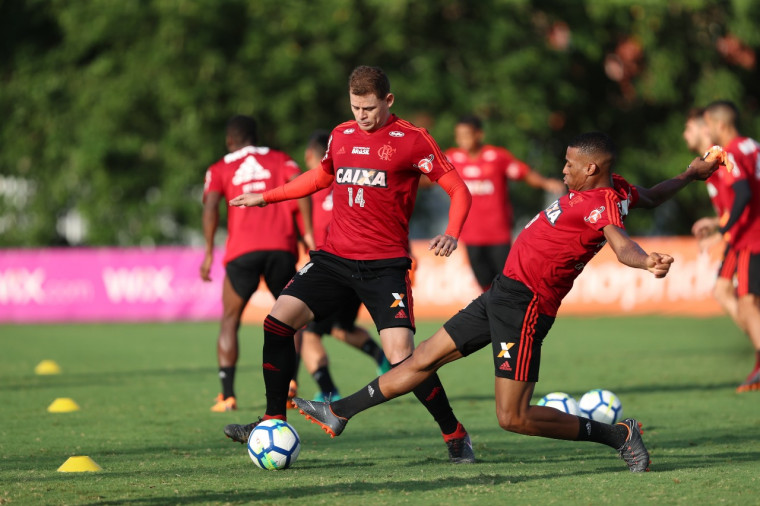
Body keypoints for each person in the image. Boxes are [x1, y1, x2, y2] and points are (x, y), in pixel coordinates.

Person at [293, 132, 723, 473]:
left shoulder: (603, 202)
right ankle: (339, 411)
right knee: (422, 357)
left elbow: (620, 244)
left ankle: (618, 436)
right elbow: (651, 195)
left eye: (570, 164)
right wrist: (690, 176)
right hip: (502, 292)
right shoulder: (618, 190)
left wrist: (646, 260)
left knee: (512, 418)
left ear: (591, 168)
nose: (563, 169)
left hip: (526, 306)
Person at [223, 66, 476, 463]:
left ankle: (455, 433)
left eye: (370, 108)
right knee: (277, 320)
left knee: (403, 361)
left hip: (385, 267)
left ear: (388, 101)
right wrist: (268, 197)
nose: (362, 115)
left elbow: (458, 189)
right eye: (356, 106)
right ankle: (271, 420)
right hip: (334, 259)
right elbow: (320, 178)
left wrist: (453, 231)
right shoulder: (340, 135)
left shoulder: (413, 140)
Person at [201, 115, 313, 412]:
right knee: (293, 319)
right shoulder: (280, 160)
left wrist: (209, 251)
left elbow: (211, 205)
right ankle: (290, 383)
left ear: (229, 141)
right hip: (281, 248)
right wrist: (308, 234)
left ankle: (227, 395)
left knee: (230, 320)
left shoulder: (220, 167)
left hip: (242, 252)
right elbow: (301, 188)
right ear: (256, 136)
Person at [300, 130, 391, 402]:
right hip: (361, 266)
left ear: (309, 156)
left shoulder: (310, 187)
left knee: (309, 334)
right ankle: (382, 358)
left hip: (332, 268)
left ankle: (328, 390)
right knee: (341, 328)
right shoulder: (351, 180)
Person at [445, 115, 566, 290]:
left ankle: (515, 314)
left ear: (479, 134)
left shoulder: (497, 157)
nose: (462, 140)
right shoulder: (452, 159)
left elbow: (523, 173)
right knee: (484, 284)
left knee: (506, 283)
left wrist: (545, 182)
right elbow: (430, 177)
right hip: (470, 236)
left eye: (467, 134)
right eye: (459, 135)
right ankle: (494, 315)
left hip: (498, 234)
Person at [693, 100, 760, 393]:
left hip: (750, 236)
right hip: (748, 233)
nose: (706, 131)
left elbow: (743, 192)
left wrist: (723, 228)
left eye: (707, 124)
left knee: (748, 305)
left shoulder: (730, 152)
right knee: (730, 294)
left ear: (719, 124)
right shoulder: (752, 145)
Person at [685, 107, 745, 331]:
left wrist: (720, 233)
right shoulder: (710, 163)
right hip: (737, 233)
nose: (685, 134)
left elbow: (743, 201)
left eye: (689, 128)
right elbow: (731, 207)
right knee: (730, 293)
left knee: (730, 293)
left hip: (744, 236)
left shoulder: (722, 160)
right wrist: (714, 222)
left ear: (704, 129)